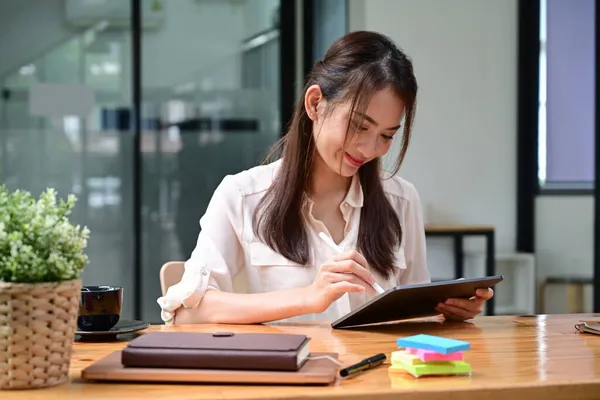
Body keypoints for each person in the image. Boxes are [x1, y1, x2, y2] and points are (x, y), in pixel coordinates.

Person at [157, 31, 494, 325]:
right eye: (359, 125)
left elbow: (413, 316)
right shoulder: (242, 196)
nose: (369, 147)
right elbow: (187, 313)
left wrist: (444, 311)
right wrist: (309, 297)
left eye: (386, 135)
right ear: (315, 103)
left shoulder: (401, 201)